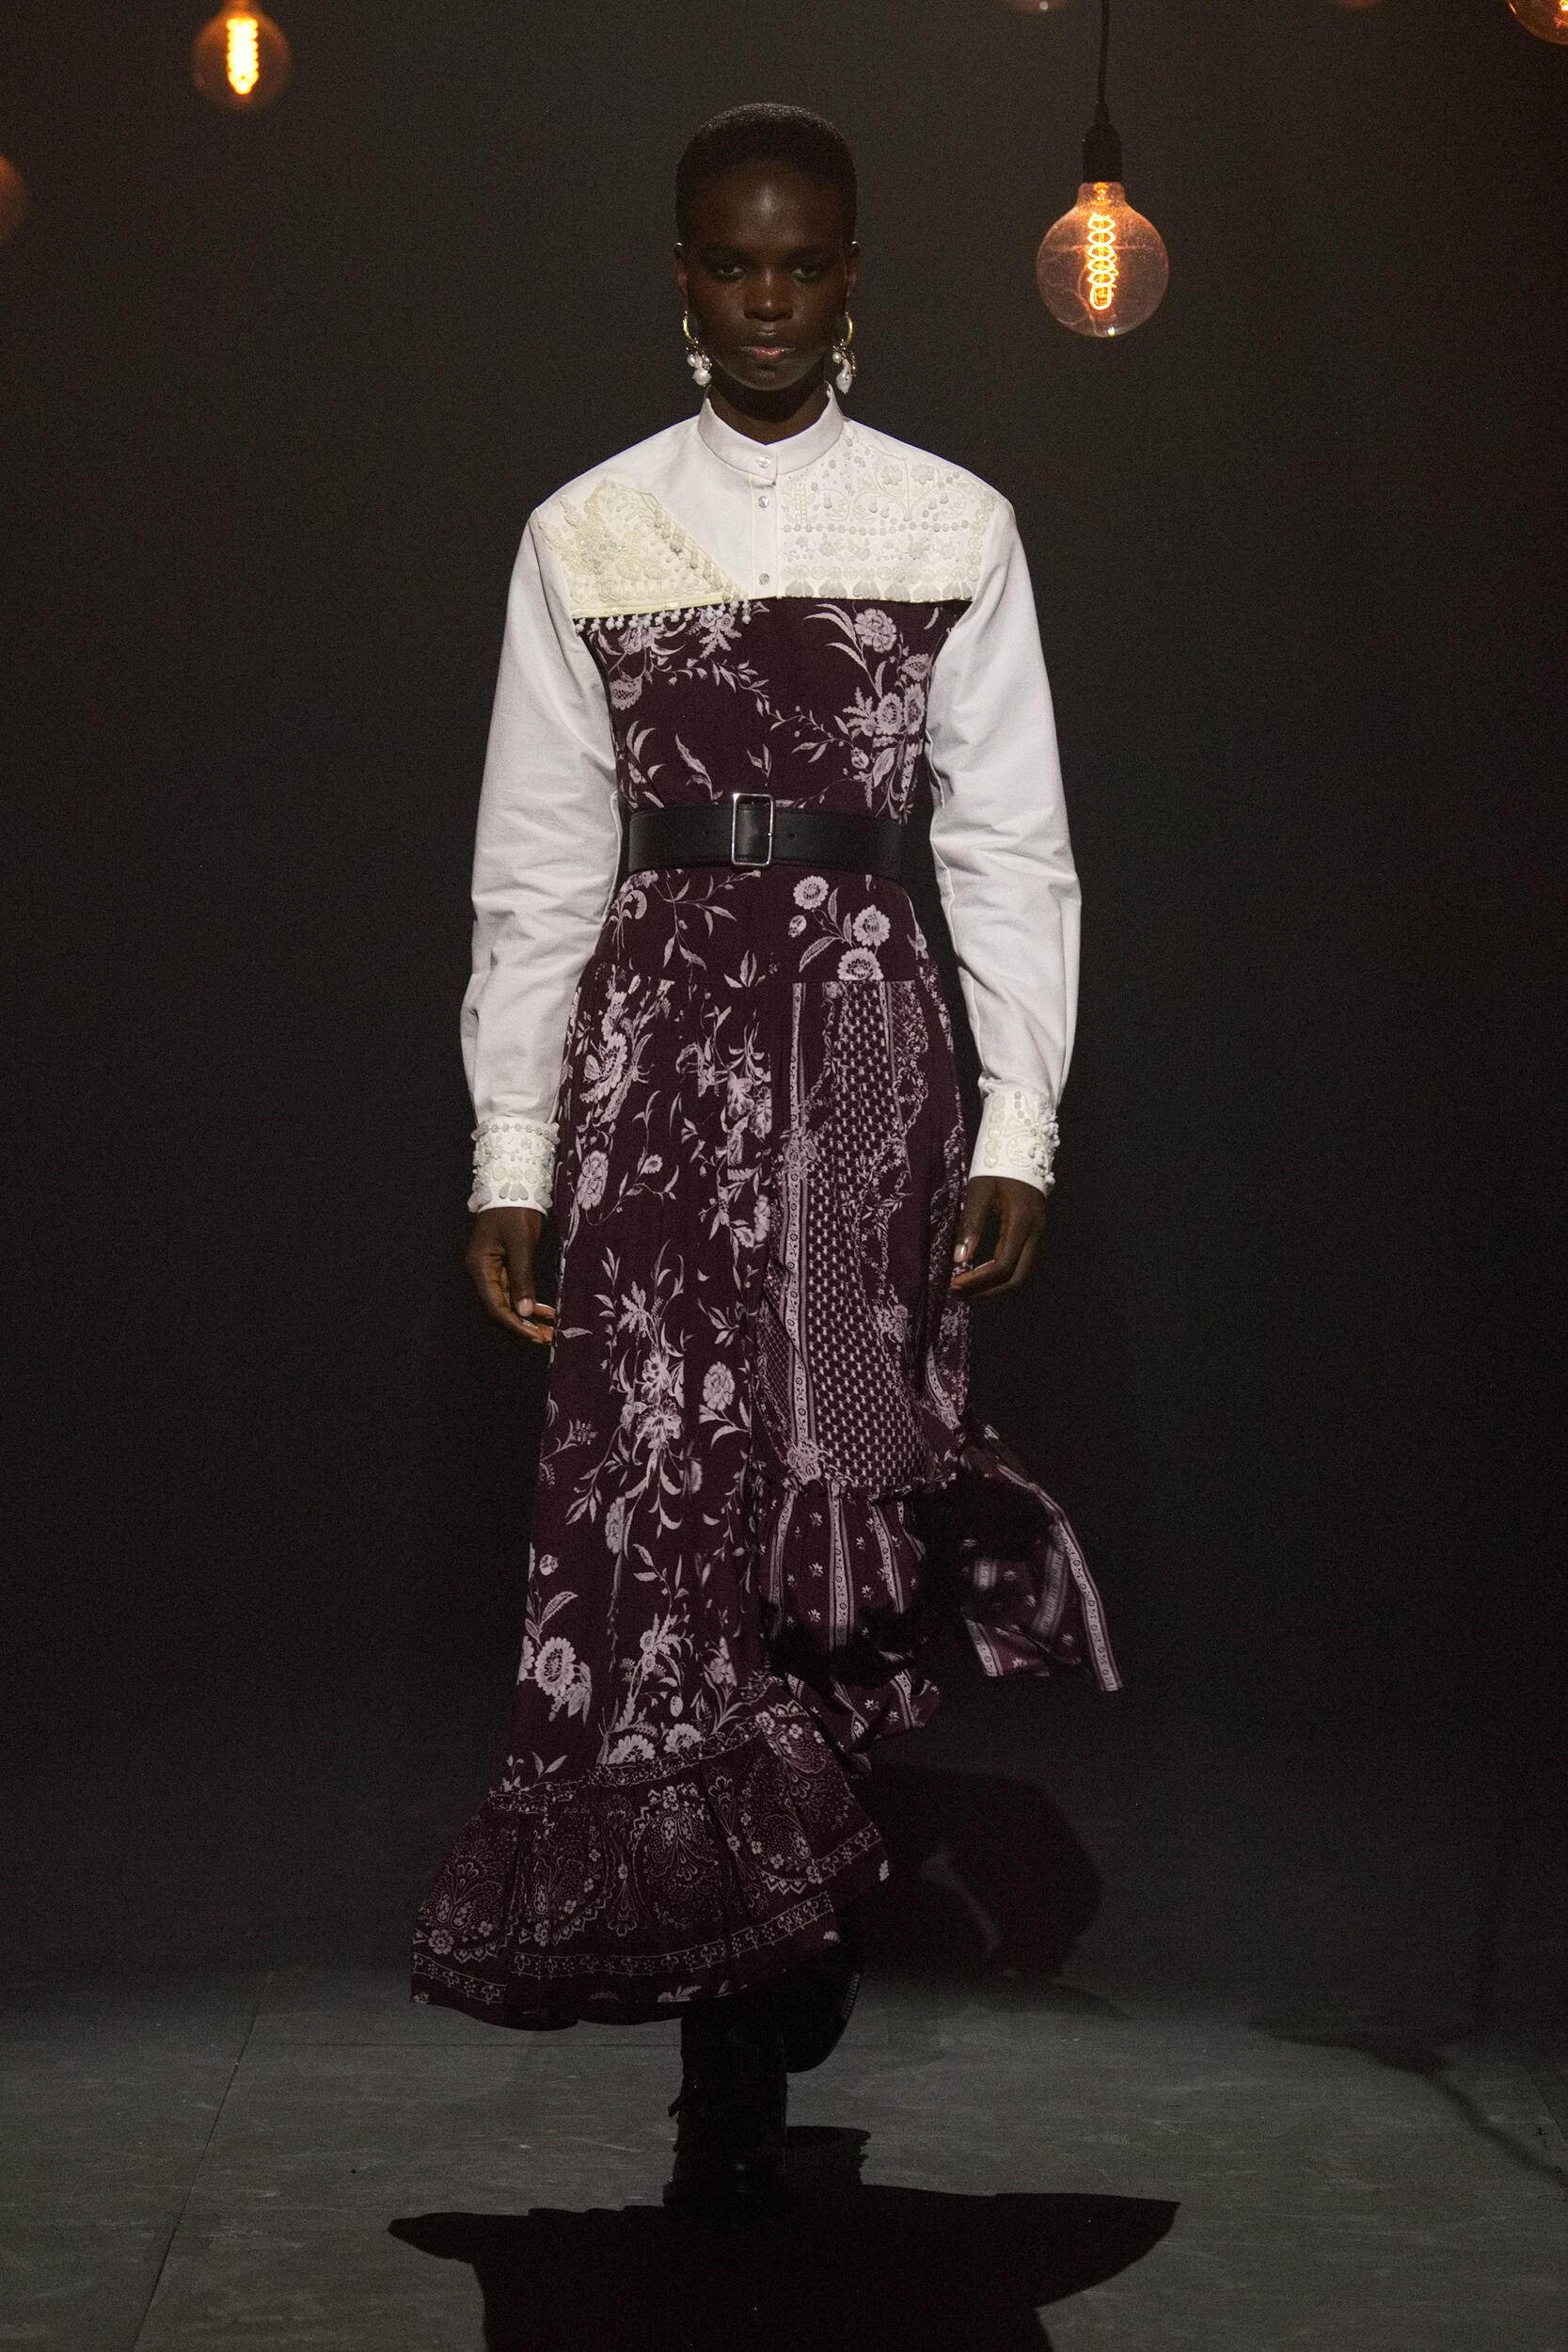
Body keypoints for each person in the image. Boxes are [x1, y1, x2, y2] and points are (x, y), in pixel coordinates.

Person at [412, 102, 1118, 2209]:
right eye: (734, 265)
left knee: (830, 1486)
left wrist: (1024, 1114)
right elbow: (538, 862)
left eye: (803, 265)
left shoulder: (952, 523)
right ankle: (730, 2018)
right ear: (683, 281)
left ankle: (794, 1921)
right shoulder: (587, 533)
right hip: (658, 1067)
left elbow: (1012, 845)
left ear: (852, 279)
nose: (768, 301)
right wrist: (512, 1149)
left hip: (869, 1071)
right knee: (666, 1503)